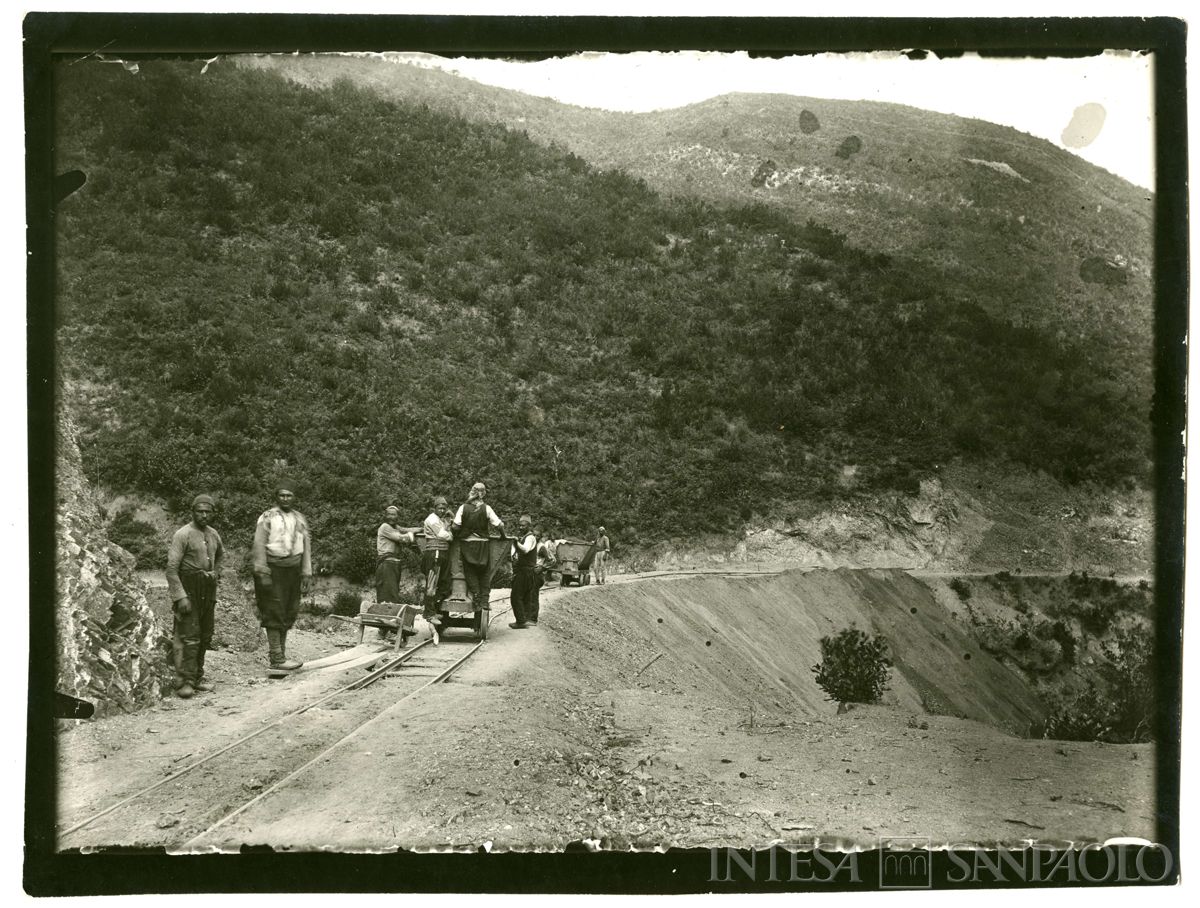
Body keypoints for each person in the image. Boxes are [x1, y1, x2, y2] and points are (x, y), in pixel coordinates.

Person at [165, 494, 225, 699]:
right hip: (188, 586)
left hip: (208, 589)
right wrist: (180, 597)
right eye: (200, 511)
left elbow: (221, 555)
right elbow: (171, 569)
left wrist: (215, 572)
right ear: (192, 512)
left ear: (212, 513)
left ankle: (197, 677)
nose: (204, 515)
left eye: (208, 511)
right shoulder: (183, 534)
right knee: (188, 635)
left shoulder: (214, 534)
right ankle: (184, 681)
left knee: (205, 634)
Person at [251, 478, 312, 672]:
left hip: (293, 571)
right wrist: (263, 572)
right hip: (273, 569)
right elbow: (259, 545)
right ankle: (276, 657)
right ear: (277, 497)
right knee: (273, 611)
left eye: (289, 495)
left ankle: (282, 656)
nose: (285, 498)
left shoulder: (300, 518)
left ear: (294, 497)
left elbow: (306, 546)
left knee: (288, 610)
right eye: (282, 495)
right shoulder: (267, 517)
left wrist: (306, 572)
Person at [451, 481, 504, 617]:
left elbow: (456, 526)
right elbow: (499, 524)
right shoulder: (487, 508)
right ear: (483, 494)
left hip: (467, 544)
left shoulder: (463, 508)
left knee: (470, 572)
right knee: (484, 572)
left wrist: (456, 534)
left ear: (471, 492)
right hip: (483, 545)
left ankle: (476, 596)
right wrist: (503, 536)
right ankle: (485, 601)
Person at [421, 496, 454, 625]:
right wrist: (449, 534)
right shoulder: (432, 519)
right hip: (435, 553)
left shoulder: (442, 520)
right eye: (439, 508)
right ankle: (429, 613)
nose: (442, 510)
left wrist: (449, 521)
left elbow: (449, 531)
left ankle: (433, 607)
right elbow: (444, 535)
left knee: (445, 583)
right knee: (432, 583)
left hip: (442, 553)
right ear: (434, 508)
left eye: (444, 508)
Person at [376, 505, 414, 606]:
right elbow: (403, 538)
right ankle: (387, 615)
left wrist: (422, 529)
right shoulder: (385, 527)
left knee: (393, 591)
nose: (391, 517)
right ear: (385, 516)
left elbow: (406, 529)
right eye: (389, 514)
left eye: (393, 515)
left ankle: (389, 614)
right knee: (388, 592)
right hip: (386, 562)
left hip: (393, 563)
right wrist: (411, 536)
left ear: (397, 517)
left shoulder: (395, 527)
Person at [509, 515, 538, 629]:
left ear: (529, 526)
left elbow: (525, 550)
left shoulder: (530, 538)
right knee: (525, 596)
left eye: (523, 526)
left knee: (516, 596)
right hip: (525, 570)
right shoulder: (523, 537)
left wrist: (515, 543)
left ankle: (521, 621)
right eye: (520, 525)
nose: (521, 528)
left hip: (526, 570)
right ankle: (524, 619)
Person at [529, 526, 557, 625]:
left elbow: (552, 560)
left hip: (537, 574)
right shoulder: (530, 544)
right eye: (534, 535)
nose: (535, 537)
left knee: (533, 595)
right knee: (527, 594)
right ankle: (527, 617)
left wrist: (542, 568)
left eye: (537, 536)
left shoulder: (541, 547)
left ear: (540, 537)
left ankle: (533, 619)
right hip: (529, 573)